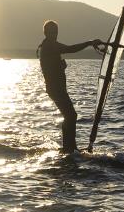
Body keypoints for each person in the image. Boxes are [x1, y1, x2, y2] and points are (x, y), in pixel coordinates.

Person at [37, 20, 101, 154]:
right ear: (46, 33)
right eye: (51, 32)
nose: (54, 35)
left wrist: (60, 67)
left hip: (58, 88)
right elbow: (70, 49)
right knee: (71, 115)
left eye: (55, 32)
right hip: (55, 89)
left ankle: (69, 147)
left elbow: (53, 64)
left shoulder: (50, 45)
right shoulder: (49, 45)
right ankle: (69, 148)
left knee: (70, 116)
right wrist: (89, 43)